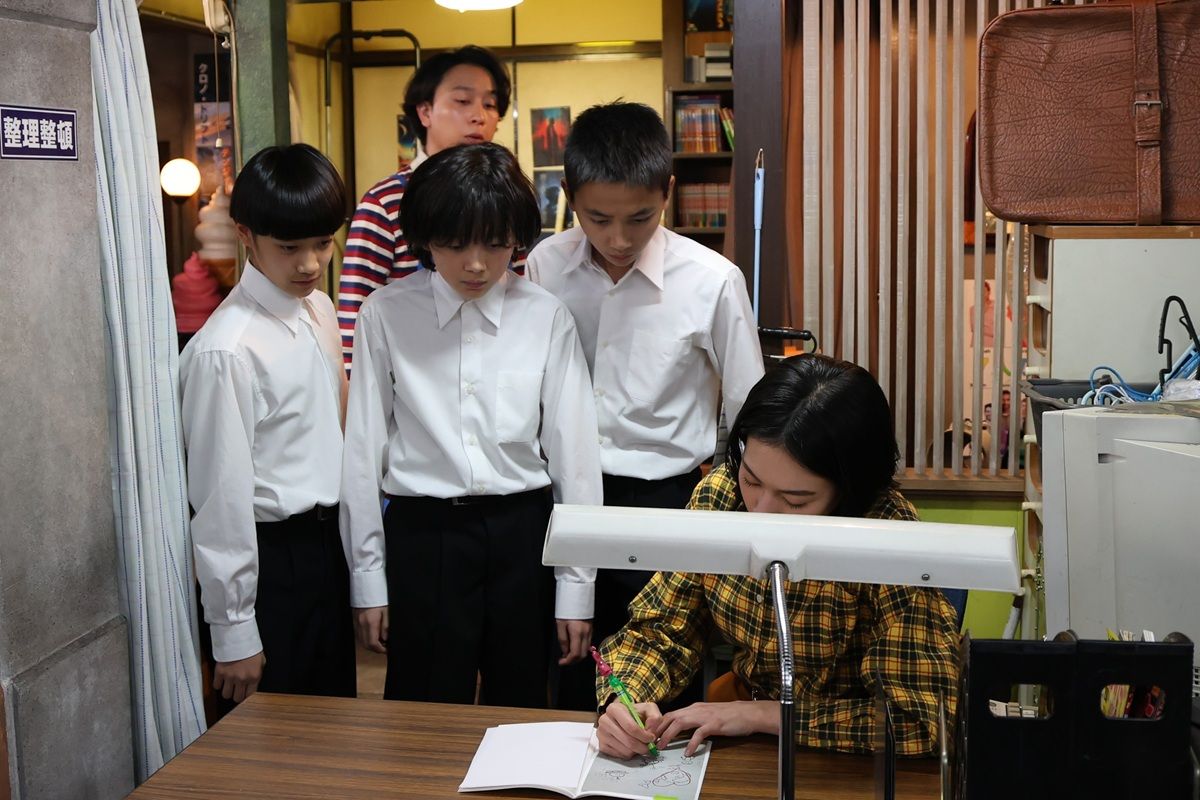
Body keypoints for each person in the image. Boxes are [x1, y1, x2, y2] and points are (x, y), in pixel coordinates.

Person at [340, 143, 603, 707]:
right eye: (456, 245)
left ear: (518, 238)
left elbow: (576, 458)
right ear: (425, 238)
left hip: (523, 533)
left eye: (496, 243)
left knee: (520, 706)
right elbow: (362, 453)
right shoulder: (385, 314)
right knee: (422, 715)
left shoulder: (545, 316)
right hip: (423, 534)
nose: (477, 264)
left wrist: (577, 590)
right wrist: (367, 580)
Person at [595, 355, 960, 758]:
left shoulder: (885, 533)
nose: (762, 511)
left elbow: (919, 722)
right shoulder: (722, 497)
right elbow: (661, 632)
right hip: (741, 732)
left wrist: (767, 716)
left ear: (849, 491)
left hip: (847, 752)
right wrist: (626, 699)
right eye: (751, 479)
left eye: (795, 499)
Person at [525, 101, 764, 710]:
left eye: (640, 218)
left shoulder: (712, 280)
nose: (618, 239)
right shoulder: (544, 266)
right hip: (561, 498)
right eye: (597, 218)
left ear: (668, 192)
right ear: (569, 196)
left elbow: (749, 410)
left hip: (666, 503)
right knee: (566, 673)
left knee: (660, 683)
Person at [180, 144, 354, 706]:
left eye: (322, 242)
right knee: (271, 737)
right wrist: (233, 628)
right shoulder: (226, 350)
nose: (310, 264)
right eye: (289, 247)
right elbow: (220, 498)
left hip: (326, 547)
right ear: (246, 235)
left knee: (334, 724)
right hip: (270, 562)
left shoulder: (319, 309)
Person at [338, 45, 521, 371]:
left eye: (490, 104)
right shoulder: (384, 203)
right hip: (410, 377)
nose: (479, 116)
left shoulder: (507, 198)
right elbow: (354, 321)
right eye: (462, 101)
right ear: (424, 112)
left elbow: (519, 295)